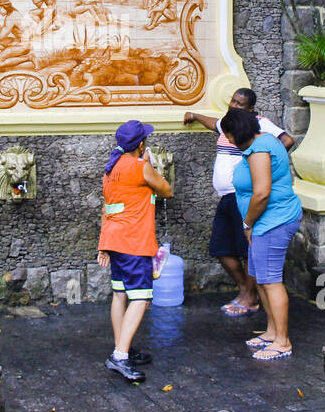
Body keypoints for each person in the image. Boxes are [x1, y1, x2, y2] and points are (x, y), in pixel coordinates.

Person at [184, 88, 293, 317]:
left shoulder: (258, 125)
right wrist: (194, 115)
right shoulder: (228, 124)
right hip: (226, 197)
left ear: (251, 110)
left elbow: (287, 140)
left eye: (240, 104)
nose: (234, 105)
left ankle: (250, 298)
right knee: (221, 247)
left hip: (243, 196)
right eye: (233, 101)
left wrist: (264, 164)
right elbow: (214, 123)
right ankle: (246, 291)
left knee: (247, 251)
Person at [222, 106, 302, 361]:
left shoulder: (259, 151)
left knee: (270, 280)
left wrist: (247, 223)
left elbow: (261, 193)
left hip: (273, 221)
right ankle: (271, 332)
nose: (228, 140)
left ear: (237, 133)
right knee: (260, 277)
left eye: (228, 135)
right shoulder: (266, 139)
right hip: (264, 222)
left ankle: (282, 340)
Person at [97, 119, 172, 383]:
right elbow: (167, 189)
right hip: (134, 242)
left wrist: (102, 245)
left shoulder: (110, 168)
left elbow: (108, 209)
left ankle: (123, 347)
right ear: (141, 144)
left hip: (115, 241)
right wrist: (149, 164)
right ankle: (119, 356)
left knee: (120, 295)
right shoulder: (141, 168)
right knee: (140, 298)